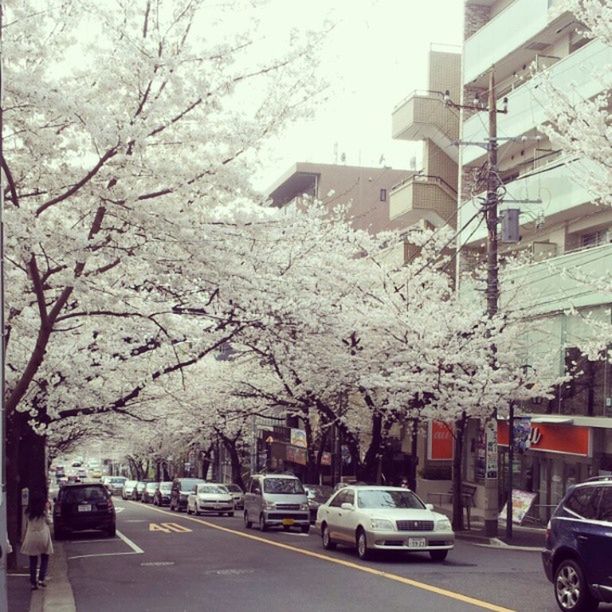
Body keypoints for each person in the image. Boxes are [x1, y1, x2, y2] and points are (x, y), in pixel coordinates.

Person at [21, 491, 54, 590]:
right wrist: (48, 509)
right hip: (43, 536)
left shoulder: (28, 512)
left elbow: (25, 524)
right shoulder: (43, 511)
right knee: (45, 557)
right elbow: (49, 521)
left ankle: (33, 583)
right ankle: (41, 579)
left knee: (33, 560)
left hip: (31, 536)